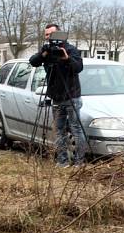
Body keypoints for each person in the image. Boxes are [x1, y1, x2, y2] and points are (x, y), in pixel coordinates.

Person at [29, 23, 86, 168]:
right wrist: (44, 54)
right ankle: (62, 161)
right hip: (56, 96)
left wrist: (67, 59)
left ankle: (79, 162)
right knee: (59, 131)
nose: (49, 37)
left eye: (51, 34)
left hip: (71, 95)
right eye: (46, 35)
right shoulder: (46, 50)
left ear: (59, 34)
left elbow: (78, 67)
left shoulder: (70, 49)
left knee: (76, 129)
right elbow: (33, 62)